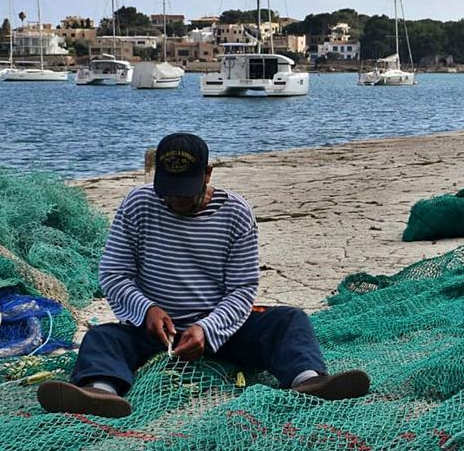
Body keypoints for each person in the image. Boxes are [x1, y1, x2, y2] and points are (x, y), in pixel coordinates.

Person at [38, 133, 369, 418]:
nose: (174, 201)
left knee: (290, 321)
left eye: (184, 193)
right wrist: (147, 310)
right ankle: (101, 392)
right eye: (167, 191)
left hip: (221, 329)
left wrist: (206, 329)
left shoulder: (236, 213)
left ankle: (307, 381)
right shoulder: (138, 204)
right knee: (102, 337)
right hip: (154, 332)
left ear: (208, 174)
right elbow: (114, 273)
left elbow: (241, 289)